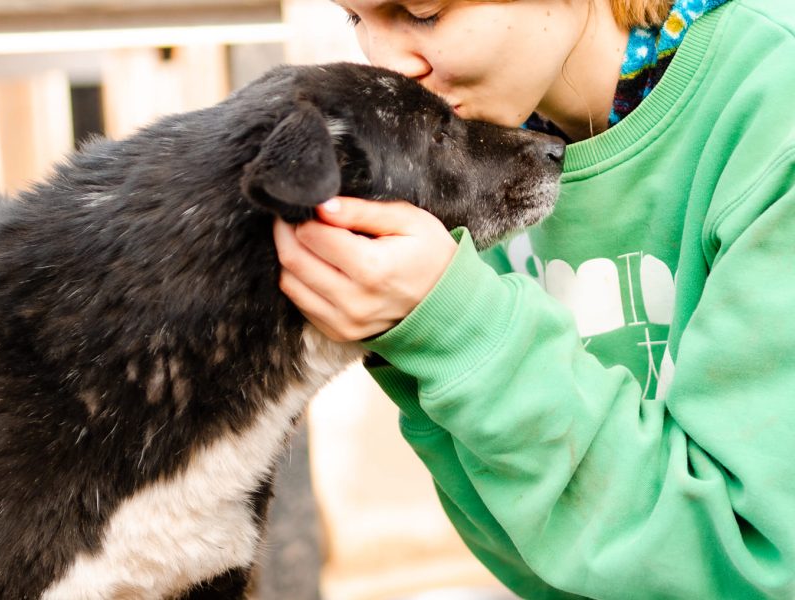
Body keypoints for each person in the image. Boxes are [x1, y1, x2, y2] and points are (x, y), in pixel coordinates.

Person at [273, 0, 795, 597]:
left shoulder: (774, 115)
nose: (388, 65)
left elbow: (757, 565)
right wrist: (412, 338)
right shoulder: (477, 158)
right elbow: (537, 557)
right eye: (355, 18)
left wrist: (463, 332)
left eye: (424, 12)